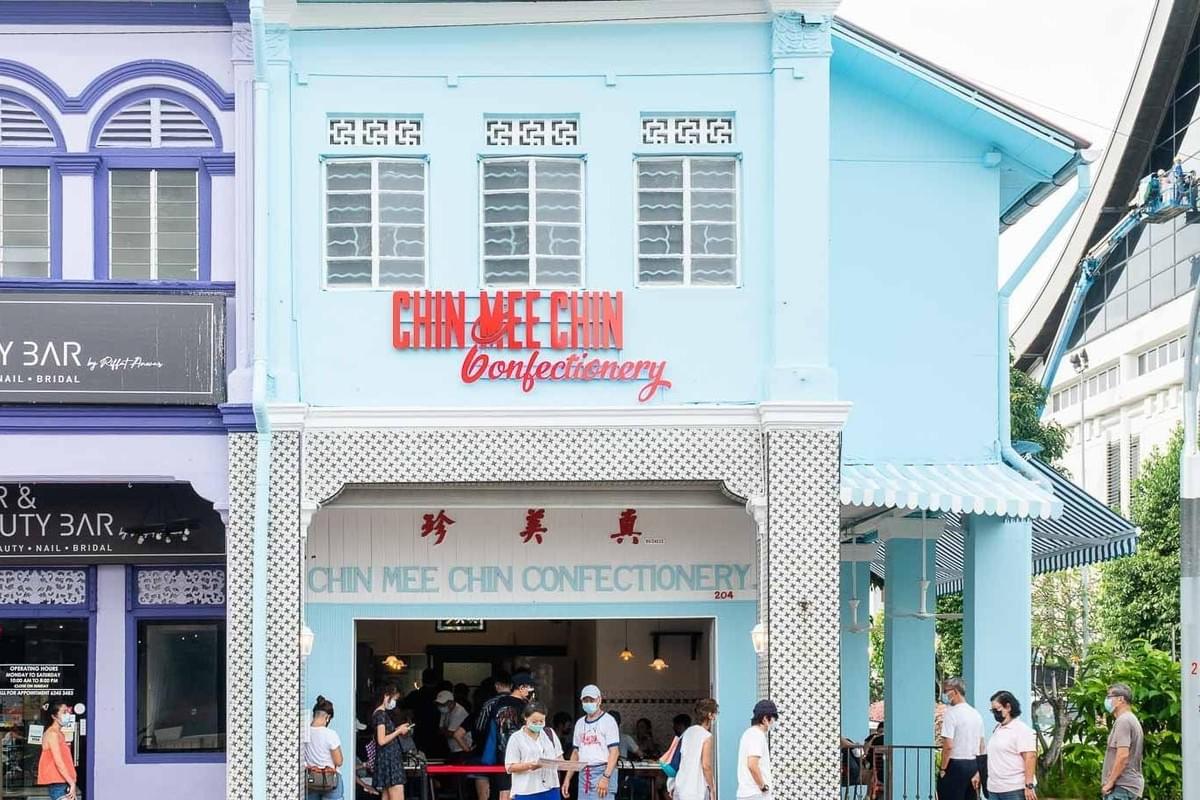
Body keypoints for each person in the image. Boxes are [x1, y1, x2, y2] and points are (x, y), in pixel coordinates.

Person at [468, 671, 537, 800]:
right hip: (521, 756)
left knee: (504, 791)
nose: (531, 691)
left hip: (501, 755)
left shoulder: (497, 703)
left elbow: (488, 728)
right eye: (530, 687)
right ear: (521, 687)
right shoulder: (523, 706)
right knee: (519, 790)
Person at [562, 685, 620, 800]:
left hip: (603, 771)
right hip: (584, 774)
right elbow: (575, 753)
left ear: (599, 700)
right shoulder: (579, 723)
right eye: (585, 700)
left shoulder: (608, 721)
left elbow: (614, 752)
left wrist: (606, 777)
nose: (588, 703)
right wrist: (567, 778)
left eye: (591, 700)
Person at [979, 690, 1036, 800]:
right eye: (992, 710)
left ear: (1008, 707)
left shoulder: (1021, 730)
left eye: (997, 709)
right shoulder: (998, 729)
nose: (995, 713)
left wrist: (1029, 785)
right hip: (994, 788)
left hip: (1014, 789)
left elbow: (1030, 757)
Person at [506, 701, 565, 800]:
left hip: (551, 788)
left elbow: (560, 758)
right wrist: (530, 765)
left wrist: (566, 765)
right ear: (525, 718)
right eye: (534, 722)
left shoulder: (549, 733)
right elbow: (510, 767)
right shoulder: (516, 738)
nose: (538, 724)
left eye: (541, 721)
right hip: (526, 791)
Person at [938, 677, 984, 800]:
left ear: (955, 691)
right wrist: (979, 769)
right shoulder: (976, 714)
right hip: (973, 764)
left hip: (955, 764)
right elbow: (981, 744)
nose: (944, 694)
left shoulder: (951, 714)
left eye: (946, 691)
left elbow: (948, 745)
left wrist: (943, 769)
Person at [1101, 683, 1144, 800]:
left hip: (1121, 787)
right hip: (1125, 787)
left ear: (1120, 699)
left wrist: (1110, 782)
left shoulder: (1124, 721)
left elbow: (1122, 756)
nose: (1107, 700)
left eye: (1109, 697)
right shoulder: (1130, 719)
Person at [373, 683, 415, 800]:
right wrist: (398, 731)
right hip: (390, 760)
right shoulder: (381, 714)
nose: (394, 703)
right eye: (395, 699)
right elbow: (381, 740)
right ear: (386, 695)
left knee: (386, 796)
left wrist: (397, 729)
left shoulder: (379, 714)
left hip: (386, 759)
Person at [672, 698, 718, 800]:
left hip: (680, 786)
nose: (716, 717)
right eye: (715, 713)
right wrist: (712, 788)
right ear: (710, 715)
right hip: (695, 789)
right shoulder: (706, 736)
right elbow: (706, 766)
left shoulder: (688, 732)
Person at [307, 696, 346, 800]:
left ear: (314, 714)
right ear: (328, 717)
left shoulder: (304, 732)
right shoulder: (330, 734)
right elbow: (338, 761)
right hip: (330, 780)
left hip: (311, 780)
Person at [36, 699, 76, 800]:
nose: (68, 714)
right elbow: (59, 761)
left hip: (63, 782)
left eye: (68, 711)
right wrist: (71, 782)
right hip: (59, 784)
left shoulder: (59, 734)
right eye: (64, 712)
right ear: (54, 716)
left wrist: (71, 782)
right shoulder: (52, 734)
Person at [737, 700, 777, 799]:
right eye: (774, 718)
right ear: (765, 719)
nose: (774, 721)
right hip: (755, 794)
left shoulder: (749, 733)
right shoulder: (756, 735)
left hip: (749, 793)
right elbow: (752, 764)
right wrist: (763, 787)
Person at [404, 669, 446, 759]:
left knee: (420, 759)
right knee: (438, 760)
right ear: (436, 680)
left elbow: (403, 708)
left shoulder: (415, 695)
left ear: (422, 680)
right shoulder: (441, 695)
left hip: (420, 732)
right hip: (438, 733)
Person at [438, 689, 472, 757]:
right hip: (453, 747)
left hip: (462, 748)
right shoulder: (444, 711)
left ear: (451, 702)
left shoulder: (458, 712)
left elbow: (450, 734)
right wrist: (446, 731)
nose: (440, 706)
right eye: (439, 704)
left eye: (443, 704)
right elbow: (441, 728)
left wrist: (445, 731)